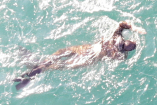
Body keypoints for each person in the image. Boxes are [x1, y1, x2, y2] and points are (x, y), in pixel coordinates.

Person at [13, 21, 145, 90]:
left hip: (88, 53)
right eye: (124, 44)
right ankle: (30, 75)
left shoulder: (116, 42)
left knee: (58, 59)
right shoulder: (118, 49)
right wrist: (135, 28)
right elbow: (122, 24)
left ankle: (31, 71)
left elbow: (121, 26)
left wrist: (133, 29)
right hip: (88, 54)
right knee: (59, 60)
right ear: (125, 42)